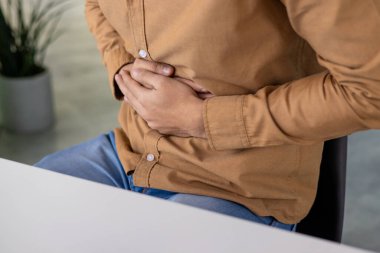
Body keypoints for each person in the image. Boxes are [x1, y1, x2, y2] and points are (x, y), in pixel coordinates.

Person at [35, 0, 380, 232]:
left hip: (238, 184)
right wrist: (123, 68)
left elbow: (372, 90)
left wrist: (204, 119)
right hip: (130, 154)